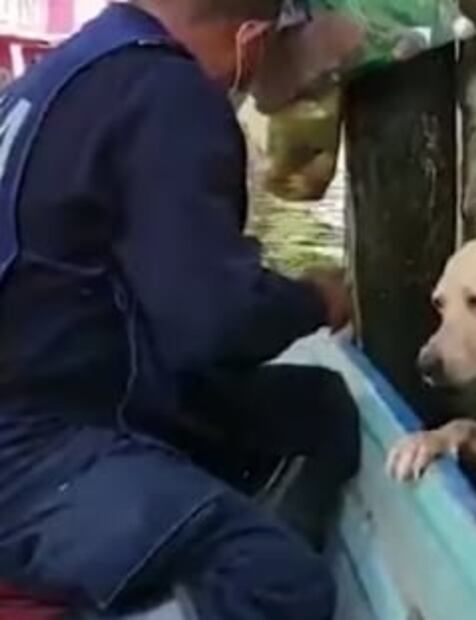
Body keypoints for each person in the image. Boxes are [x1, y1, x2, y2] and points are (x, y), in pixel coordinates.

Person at [0, 1, 360, 618]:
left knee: (318, 409)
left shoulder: (66, 71)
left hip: (75, 389)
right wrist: (316, 299)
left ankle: (191, 554)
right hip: (33, 449)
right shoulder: (170, 93)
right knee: (276, 581)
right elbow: (214, 325)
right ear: (250, 40)